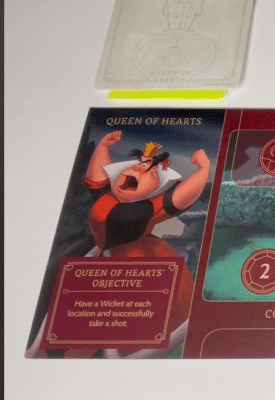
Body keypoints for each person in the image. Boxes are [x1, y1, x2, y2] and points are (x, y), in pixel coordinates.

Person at [26, 131, 209, 358]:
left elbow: (181, 196)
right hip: (94, 251)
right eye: (138, 165)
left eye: (148, 171)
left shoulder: (150, 207)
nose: (138, 170)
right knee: (59, 284)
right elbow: (97, 177)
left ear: (156, 186)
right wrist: (103, 146)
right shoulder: (107, 196)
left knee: (115, 313)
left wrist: (203, 168)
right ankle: (47, 344)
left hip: (135, 260)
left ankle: (88, 353)